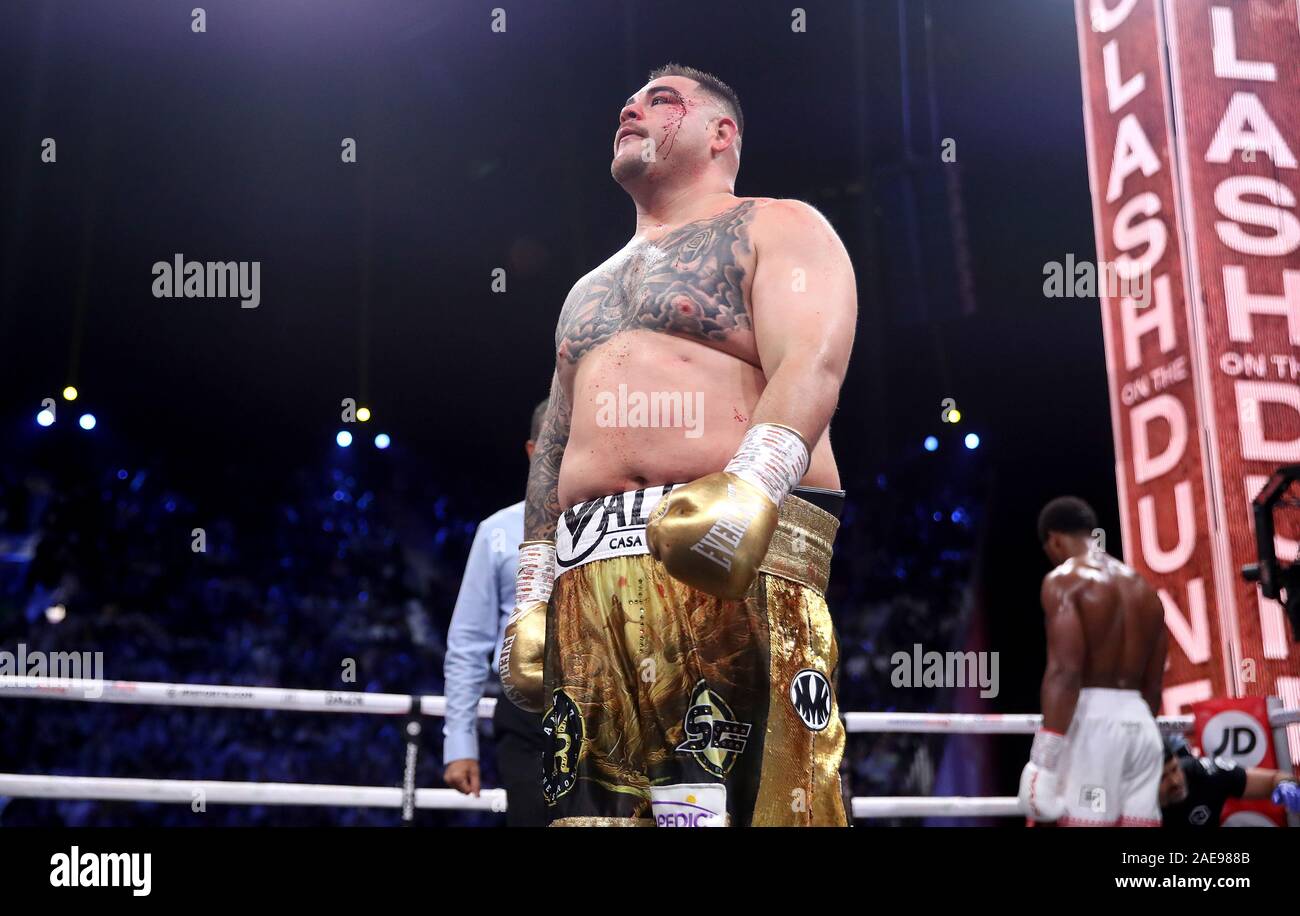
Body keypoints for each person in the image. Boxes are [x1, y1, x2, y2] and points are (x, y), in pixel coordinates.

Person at [499, 63, 857, 827]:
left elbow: (812, 361)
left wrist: (751, 489)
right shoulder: (585, 292)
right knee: (596, 821)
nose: (631, 107)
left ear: (720, 133)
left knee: (748, 812)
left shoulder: (778, 224)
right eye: (628, 100)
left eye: (662, 100)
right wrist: (531, 594)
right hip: (589, 578)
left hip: (729, 556)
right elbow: (555, 444)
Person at [1019, 496, 1167, 827]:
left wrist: (1044, 759)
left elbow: (1064, 673)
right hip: (1142, 728)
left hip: (1095, 730)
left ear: (1054, 539)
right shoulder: (1144, 589)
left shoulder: (1065, 580)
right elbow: (1154, 685)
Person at [442, 400, 549, 826]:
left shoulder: (615, 526)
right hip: (526, 715)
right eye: (555, 443)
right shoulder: (498, 532)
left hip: (605, 709)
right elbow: (468, 644)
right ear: (532, 450)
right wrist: (459, 744)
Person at [1159, 735, 1300, 827]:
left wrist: (1287, 785)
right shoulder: (1138, 805)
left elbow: (1273, 779)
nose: (1175, 781)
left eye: (1175, 769)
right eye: (1163, 778)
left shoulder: (1203, 772)